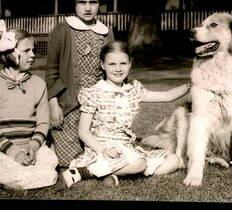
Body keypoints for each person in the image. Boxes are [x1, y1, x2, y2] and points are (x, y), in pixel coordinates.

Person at [62, 40, 190, 188]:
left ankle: (112, 174)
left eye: (123, 63)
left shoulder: (132, 90)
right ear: (103, 65)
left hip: (125, 148)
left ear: (130, 64)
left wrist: (192, 84)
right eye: (112, 64)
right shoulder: (94, 93)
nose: (118, 69)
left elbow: (166, 96)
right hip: (102, 148)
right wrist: (103, 150)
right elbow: (83, 132)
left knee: (173, 161)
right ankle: (84, 171)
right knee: (140, 164)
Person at [0, 20, 58, 190]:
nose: (33, 55)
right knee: (11, 171)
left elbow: (43, 122)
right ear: (9, 53)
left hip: (31, 146)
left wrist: (33, 146)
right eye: (27, 51)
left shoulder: (38, 84)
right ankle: (15, 175)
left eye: (33, 50)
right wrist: (14, 152)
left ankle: (25, 174)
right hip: (3, 149)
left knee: (47, 171)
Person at [46, 0, 115, 168]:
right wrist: (53, 104)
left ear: (99, 4)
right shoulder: (62, 29)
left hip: (97, 104)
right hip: (69, 104)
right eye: (82, 2)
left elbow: (112, 69)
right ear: (74, 4)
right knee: (69, 161)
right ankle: (52, 141)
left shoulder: (105, 32)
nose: (87, 8)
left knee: (105, 155)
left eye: (93, 2)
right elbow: (51, 72)